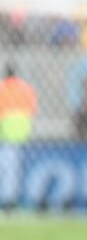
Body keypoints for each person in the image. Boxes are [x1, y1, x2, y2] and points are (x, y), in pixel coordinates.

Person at [0, 63, 37, 210]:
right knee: (14, 168)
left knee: (8, 167)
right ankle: (11, 198)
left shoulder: (2, 88)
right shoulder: (26, 88)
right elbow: (32, 109)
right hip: (22, 131)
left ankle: (8, 200)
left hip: (6, 131)